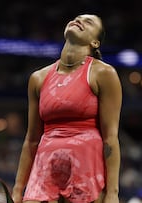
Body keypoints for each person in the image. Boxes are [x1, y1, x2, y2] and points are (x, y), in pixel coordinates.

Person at [12, 14, 122, 203]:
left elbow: (110, 137)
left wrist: (112, 193)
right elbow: (31, 139)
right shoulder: (38, 78)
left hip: (86, 169)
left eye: (88, 22)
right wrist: (17, 190)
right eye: (76, 18)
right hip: (45, 168)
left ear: (95, 42)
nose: (78, 20)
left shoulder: (103, 73)